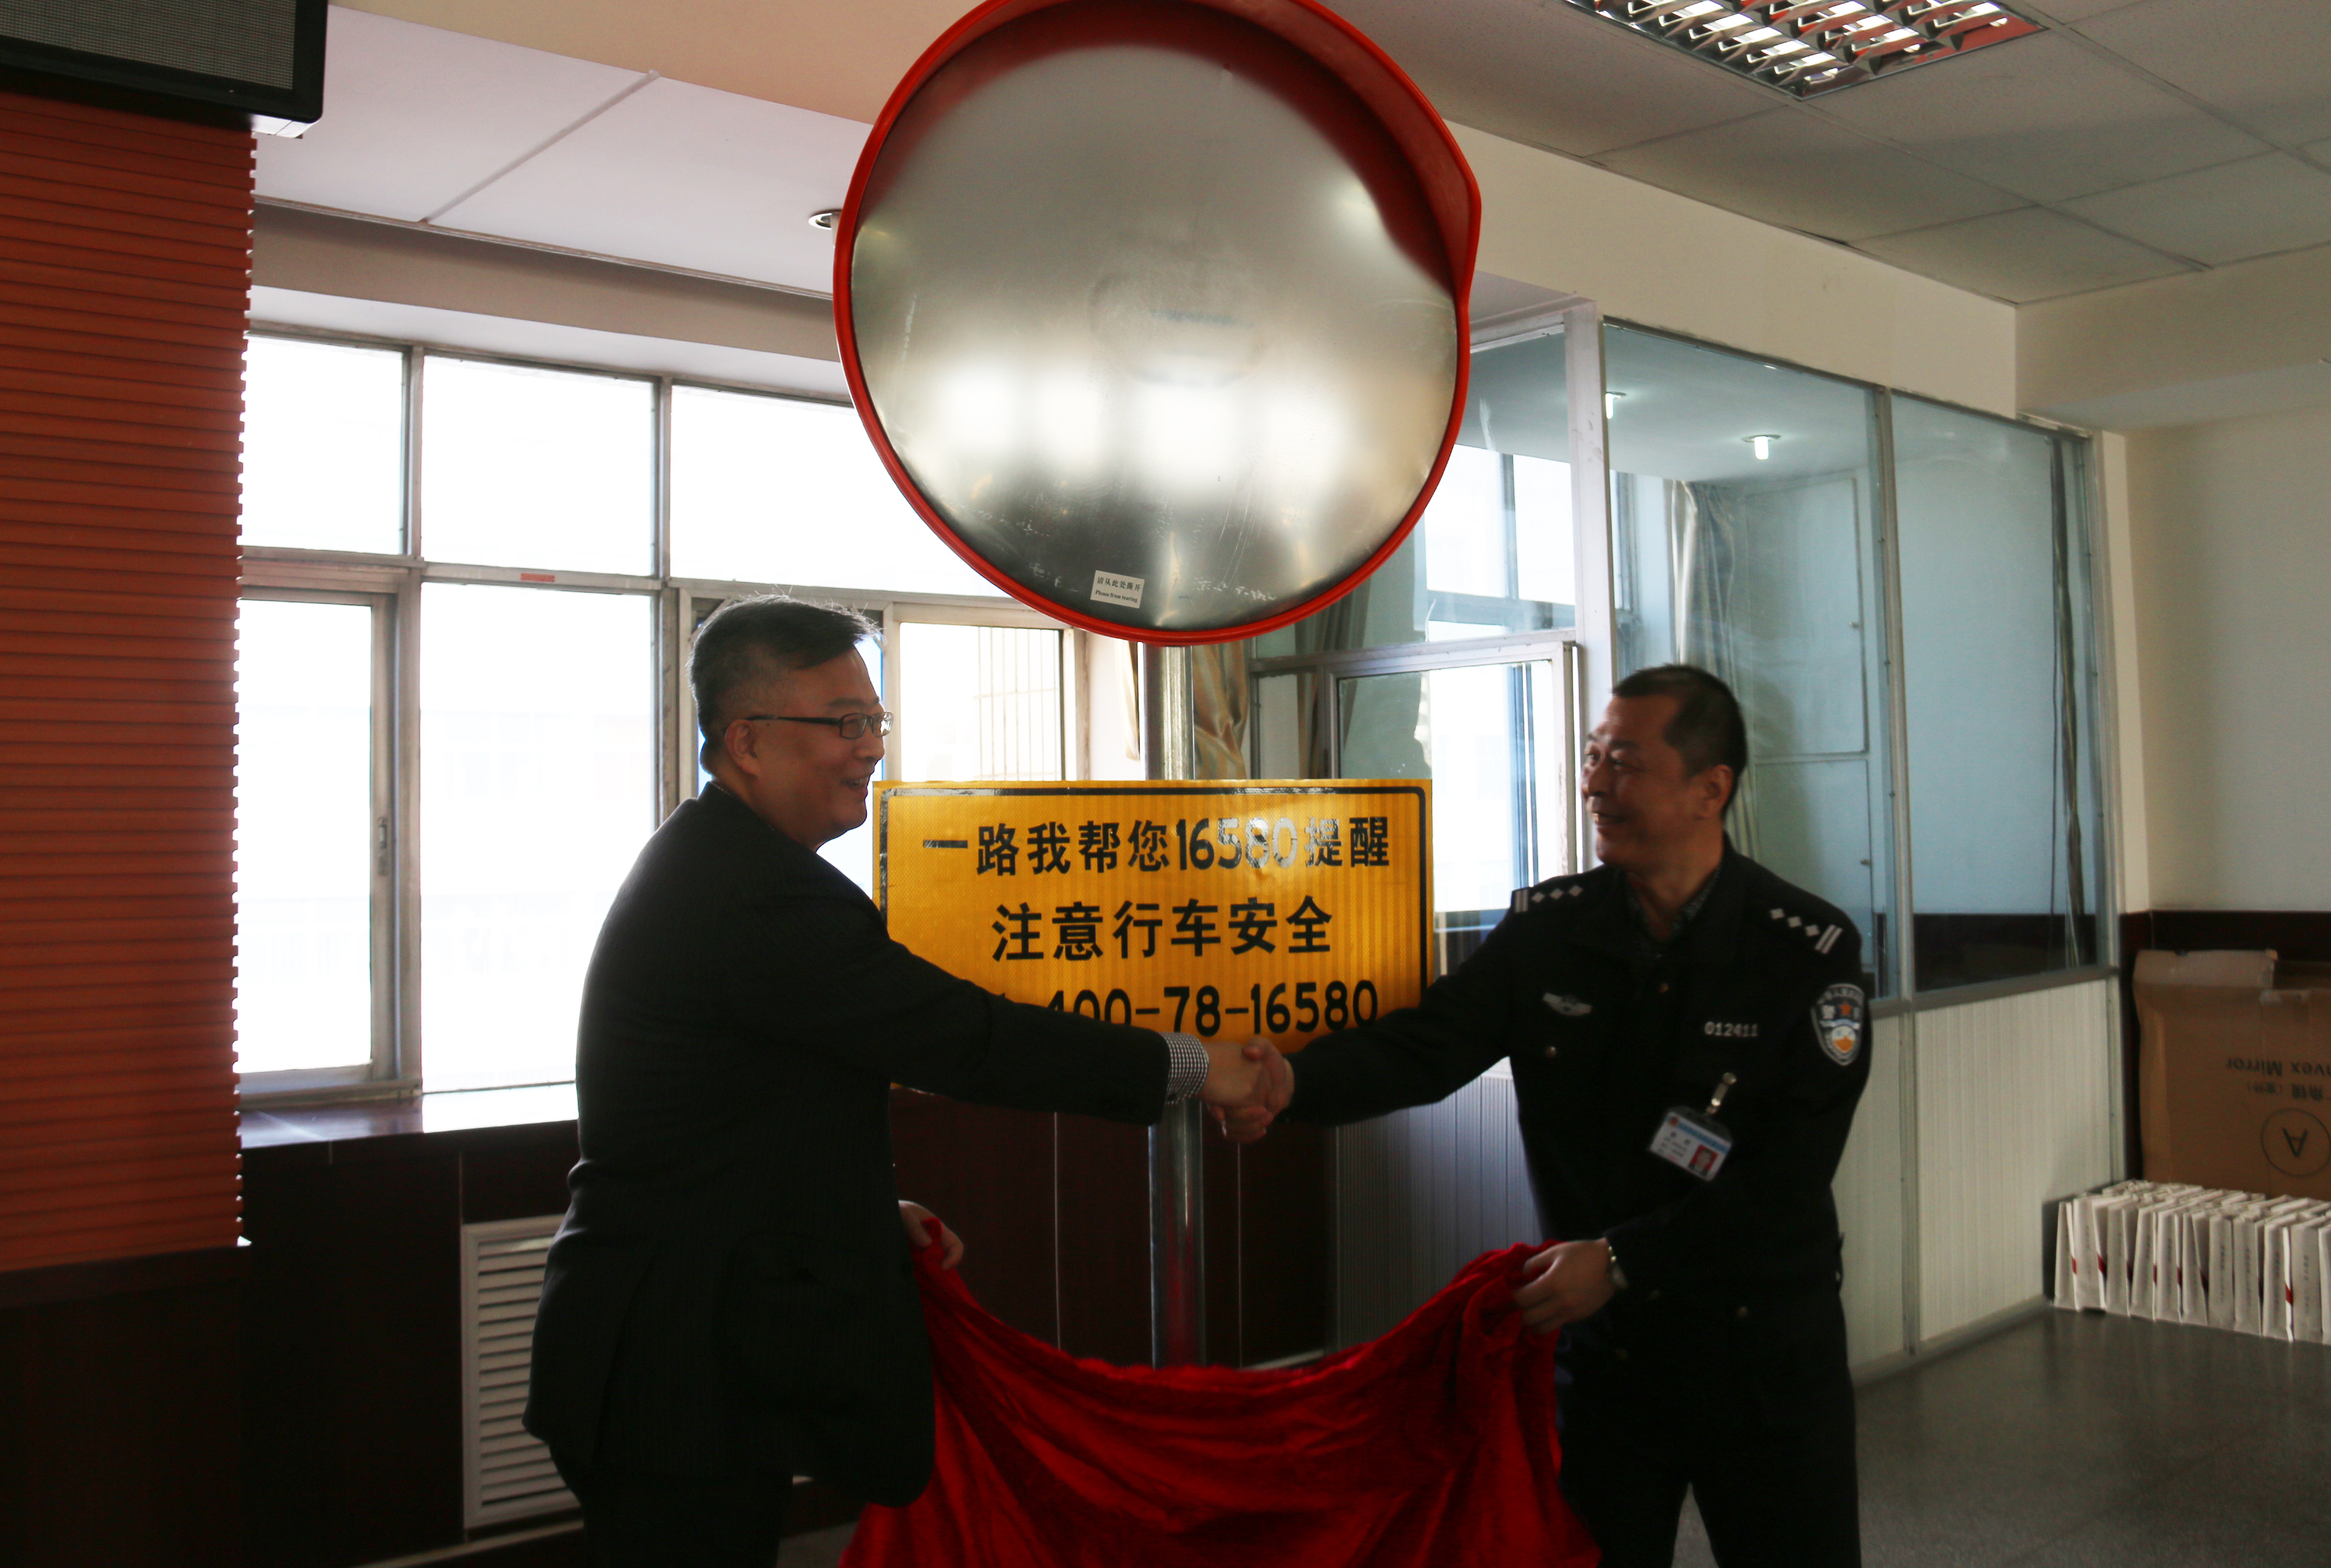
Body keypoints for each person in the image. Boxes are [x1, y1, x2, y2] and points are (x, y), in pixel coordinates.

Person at [525, 595, 1282, 1567]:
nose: (870, 749)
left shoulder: (724, 862)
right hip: (671, 1363)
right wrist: (1192, 1065)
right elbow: (966, 1039)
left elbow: (726, 1120)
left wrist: (862, 1213)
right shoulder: (754, 894)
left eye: (875, 720)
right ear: (747, 741)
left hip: (679, 1341)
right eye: (843, 724)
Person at [1227, 664, 1870, 1568]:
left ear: (1710, 789)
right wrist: (1294, 1083)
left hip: (1761, 1354)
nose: (1596, 783)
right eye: (1593, 756)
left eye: (1626, 762)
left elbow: (1787, 1180)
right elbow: (1429, 1046)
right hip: (1609, 1362)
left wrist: (1622, 1259)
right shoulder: (1551, 930)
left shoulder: (1802, 951)